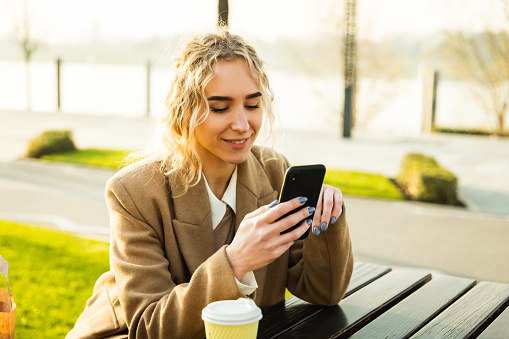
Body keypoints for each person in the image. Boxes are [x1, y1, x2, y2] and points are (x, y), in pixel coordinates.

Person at [67, 30, 354, 339]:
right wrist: (235, 262)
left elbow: (324, 293)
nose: (243, 125)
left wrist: (329, 221)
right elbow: (151, 327)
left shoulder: (274, 172)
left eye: (253, 104)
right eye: (220, 107)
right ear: (184, 110)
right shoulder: (134, 192)